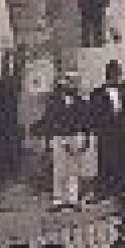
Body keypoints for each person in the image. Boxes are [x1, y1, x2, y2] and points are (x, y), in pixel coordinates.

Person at [35, 73, 89, 210]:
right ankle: (58, 199)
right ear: (63, 84)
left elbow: (85, 121)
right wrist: (47, 140)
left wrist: (85, 138)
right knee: (59, 168)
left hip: (75, 136)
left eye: (74, 83)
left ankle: (73, 199)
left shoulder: (80, 102)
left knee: (74, 168)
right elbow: (49, 120)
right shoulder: (54, 101)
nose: (71, 85)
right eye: (69, 82)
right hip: (59, 137)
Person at [86, 59, 125, 197]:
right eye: (113, 74)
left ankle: (122, 191)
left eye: (118, 74)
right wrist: (99, 131)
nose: (116, 77)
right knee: (106, 162)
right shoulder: (97, 94)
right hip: (106, 136)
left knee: (123, 163)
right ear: (108, 75)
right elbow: (93, 115)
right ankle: (105, 192)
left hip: (123, 136)